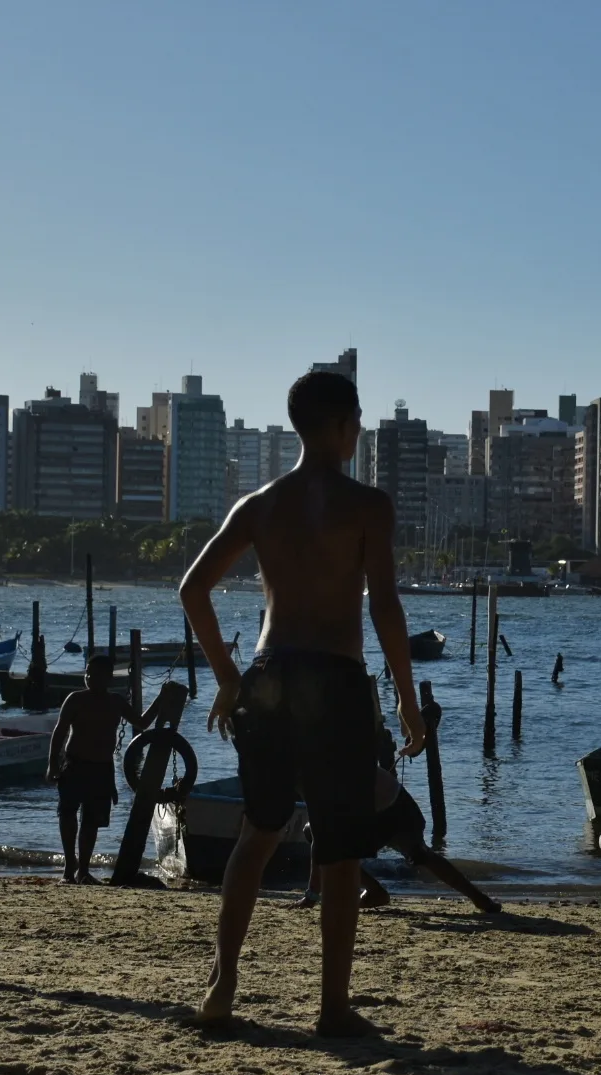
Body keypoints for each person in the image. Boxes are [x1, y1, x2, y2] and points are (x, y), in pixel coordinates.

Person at [179, 370, 425, 1038]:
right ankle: (331, 1007)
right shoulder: (368, 505)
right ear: (346, 426)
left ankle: (224, 983)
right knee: (341, 852)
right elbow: (386, 610)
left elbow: (192, 591)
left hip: (270, 673)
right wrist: (407, 699)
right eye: (358, 422)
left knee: (257, 834)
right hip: (337, 684)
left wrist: (230, 678)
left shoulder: (259, 504)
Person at [297, 764, 502, 915]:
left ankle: (480, 899)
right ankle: (375, 890)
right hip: (379, 807)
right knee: (423, 855)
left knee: (422, 855)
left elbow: (321, 834)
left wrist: (312, 894)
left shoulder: (311, 773)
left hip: (391, 806)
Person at [45, 655, 170, 884]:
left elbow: (141, 723)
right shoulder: (75, 699)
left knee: (92, 821)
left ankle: (83, 870)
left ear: (108, 678)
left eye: (96, 674)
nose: (90, 677)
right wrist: (53, 763)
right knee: (67, 814)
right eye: (88, 673)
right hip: (74, 764)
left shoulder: (115, 701)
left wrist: (160, 699)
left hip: (102, 768)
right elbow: (60, 731)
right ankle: (68, 868)